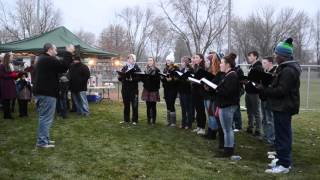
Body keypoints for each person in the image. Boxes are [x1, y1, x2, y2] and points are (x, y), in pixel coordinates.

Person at [260, 38, 301, 174]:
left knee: (283, 135)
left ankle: (284, 164)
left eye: (276, 54)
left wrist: (264, 90)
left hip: (284, 106)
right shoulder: (285, 68)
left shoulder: (289, 70)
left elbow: (281, 90)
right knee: (281, 134)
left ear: (283, 56)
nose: (274, 56)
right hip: (281, 106)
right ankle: (282, 159)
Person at [33, 43, 74, 148]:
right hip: (47, 93)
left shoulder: (43, 59)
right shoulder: (48, 59)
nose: (57, 52)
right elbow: (64, 67)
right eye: (55, 50)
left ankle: (44, 139)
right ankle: (42, 142)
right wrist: (69, 52)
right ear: (50, 50)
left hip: (43, 92)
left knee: (45, 117)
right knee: (46, 118)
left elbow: (59, 68)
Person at [215, 53, 240, 157]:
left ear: (228, 65)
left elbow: (228, 92)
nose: (220, 65)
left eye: (221, 63)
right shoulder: (228, 74)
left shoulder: (232, 75)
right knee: (226, 129)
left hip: (227, 105)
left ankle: (228, 150)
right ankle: (227, 148)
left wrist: (217, 89)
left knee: (227, 129)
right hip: (224, 104)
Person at [203, 52, 222, 139]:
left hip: (213, 96)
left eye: (208, 60)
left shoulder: (218, 72)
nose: (206, 62)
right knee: (209, 114)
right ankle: (210, 131)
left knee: (212, 115)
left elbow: (216, 84)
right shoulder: (209, 70)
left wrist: (209, 86)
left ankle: (213, 133)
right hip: (208, 94)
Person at [118, 54, 141, 125]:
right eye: (129, 58)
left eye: (131, 59)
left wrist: (132, 79)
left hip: (133, 89)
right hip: (125, 89)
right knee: (126, 105)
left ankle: (134, 120)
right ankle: (126, 119)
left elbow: (140, 78)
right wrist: (120, 76)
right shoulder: (125, 67)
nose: (130, 60)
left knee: (134, 105)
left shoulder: (137, 68)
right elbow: (120, 78)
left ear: (134, 60)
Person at [245, 51, 264, 136]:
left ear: (255, 57)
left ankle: (258, 129)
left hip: (255, 93)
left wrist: (249, 81)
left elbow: (258, 80)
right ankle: (250, 126)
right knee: (249, 111)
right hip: (248, 91)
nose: (248, 57)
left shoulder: (258, 67)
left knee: (256, 111)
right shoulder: (252, 66)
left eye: (250, 56)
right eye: (248, 56)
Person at [260, 57, 277, 145]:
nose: (263, 65)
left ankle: (271, 139)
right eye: (262, 63)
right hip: (263, 98)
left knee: (270, 119)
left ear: (270, 63)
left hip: (269, 99)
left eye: (265, 63)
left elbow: (273, 87)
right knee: (264, 118)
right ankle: (266, 136)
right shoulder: (265, 73)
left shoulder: (274, 72)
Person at [141, 57, 161, 125]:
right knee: (148, 106)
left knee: (153, 106)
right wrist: (143, 77)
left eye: (151, 60)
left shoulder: (157, 70)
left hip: (154, 90)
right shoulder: (146, 69)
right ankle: (149, 120)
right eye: (148, 60)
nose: (149, 62)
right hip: (147, 89)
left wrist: (152, 78)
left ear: (153, 62)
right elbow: (143, 79)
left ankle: (154, 120)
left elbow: (158, 81)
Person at [191, 54, 207, 135]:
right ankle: (198, 126)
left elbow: (203, 80)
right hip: (194, 90)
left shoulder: (202, 68)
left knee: (201, 110)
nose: (195, 59)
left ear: (201, 59)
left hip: (200, 91)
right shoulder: (195, 67)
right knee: (197, 109)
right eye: (194, 57)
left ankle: (203, 128)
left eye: (197, 57)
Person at [162, 56, 179, 127]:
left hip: (173, 89)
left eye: (169, 60)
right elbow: (163, 79)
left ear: (172, 61)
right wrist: (163, 78)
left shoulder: (176, 68)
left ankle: (173, 122)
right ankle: (168, 121)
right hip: (166, 89)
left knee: (171, 104)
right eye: (166, 60)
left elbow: (177, 79)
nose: (167, 62)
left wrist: (171, 79)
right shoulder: (165, 69)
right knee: (168, 104)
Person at [0, 53, 18, 119]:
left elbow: (9, 74)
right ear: (8, 58)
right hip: (5, 85)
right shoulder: (2, 66)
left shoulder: (9, 65)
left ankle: (8, 114)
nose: (12, 58)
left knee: (8, 100)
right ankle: (6, 115)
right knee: (6, 101)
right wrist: (11, 75)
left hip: (9, 84)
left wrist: (15, 75)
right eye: (11, 57)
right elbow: (2, 75)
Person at [177, 56, 194, 129]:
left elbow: (192, 79)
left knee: (188, 109)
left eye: (183, 62)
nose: (182, 63)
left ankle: (188, 124)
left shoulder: (191, 70)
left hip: (188, 92)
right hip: (181, 91)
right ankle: (183, 123)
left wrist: (187, 79)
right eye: (181, 61)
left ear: (186, 62)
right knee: (183, 108)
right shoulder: (181, 70)